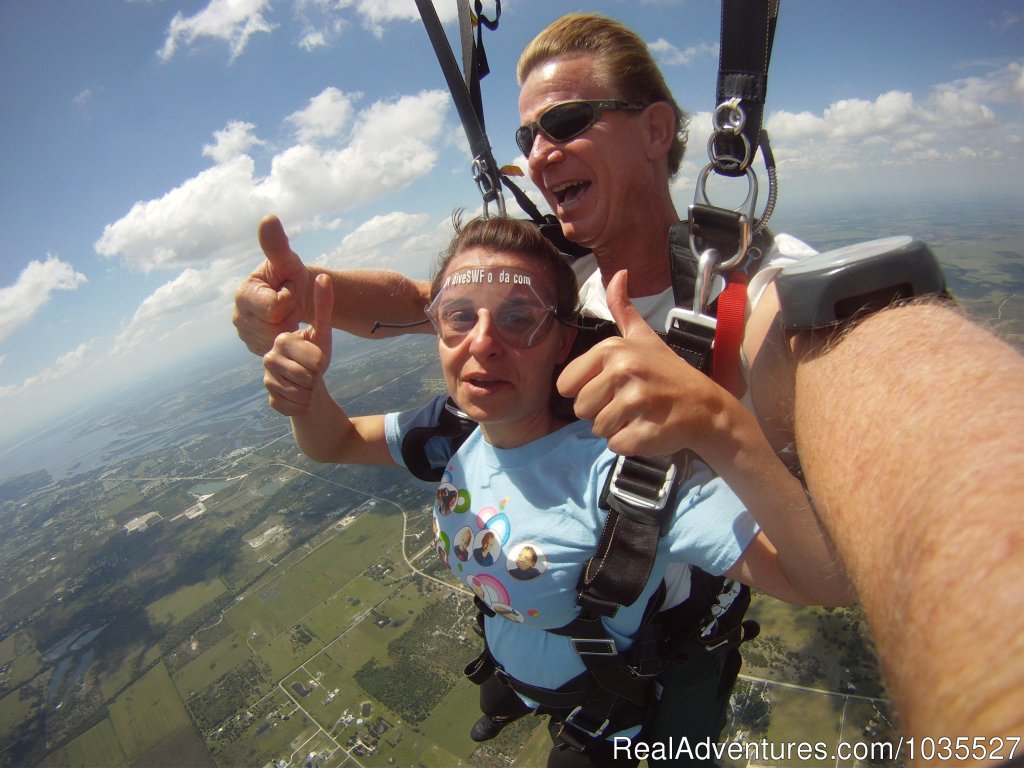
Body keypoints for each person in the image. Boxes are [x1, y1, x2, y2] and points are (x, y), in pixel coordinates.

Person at [237, 11, 1023, 761]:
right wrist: (310, 293)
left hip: (676, 636)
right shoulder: (554, 272)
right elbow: (428, 302)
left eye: (568, 120)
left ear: (655, 131)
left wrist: (719, 419)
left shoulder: (755, 297)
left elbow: (900, 394)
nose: (540, 153)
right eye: (527, 135)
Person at [262, 214, 848, 766]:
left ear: (563, 340)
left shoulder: (626, 475)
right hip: (514, 661)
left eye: (520, 318)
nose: (484, 342)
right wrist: (307, 398)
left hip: (612, 719)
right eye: (459, 315)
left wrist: (719, 426)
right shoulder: (453, 431)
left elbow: (822, 578)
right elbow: (334, 441)